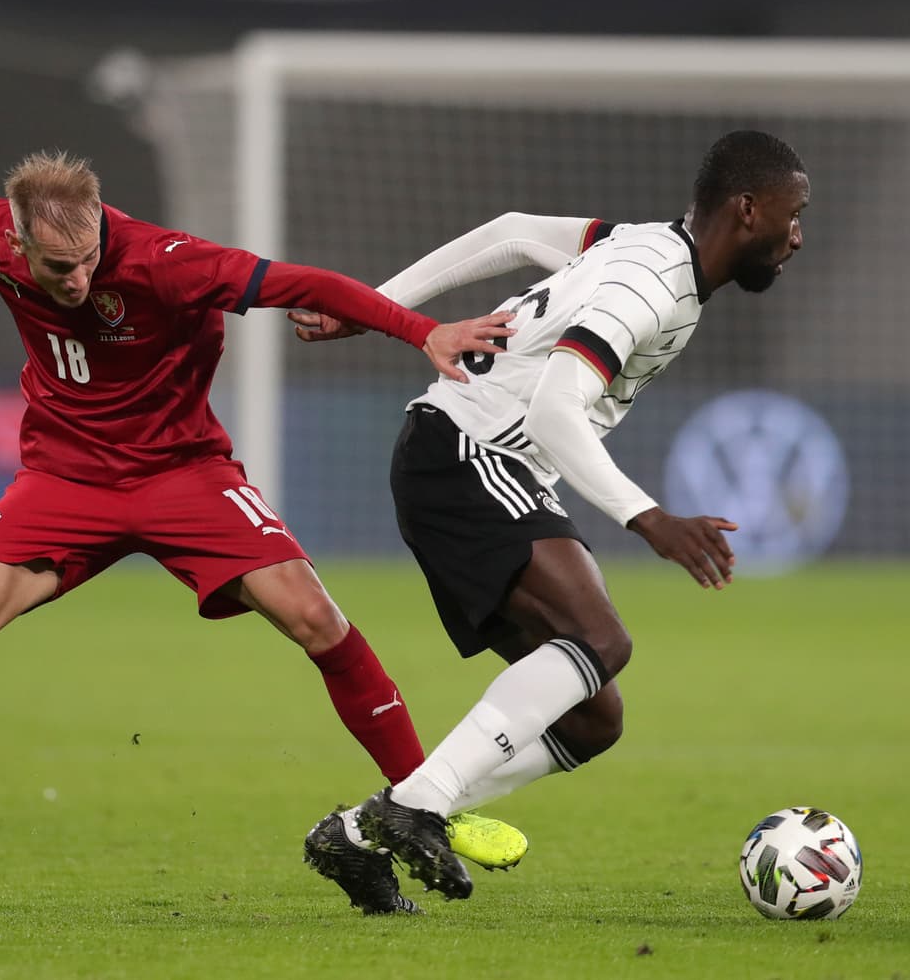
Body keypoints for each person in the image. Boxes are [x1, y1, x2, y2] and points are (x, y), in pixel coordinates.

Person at [0, 112, 526, 905]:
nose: (77, 280)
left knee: (317, 618)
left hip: (185, 473)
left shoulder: (165, 262)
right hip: (65, 478)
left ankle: (430, 808)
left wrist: (423, 330)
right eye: (58, 267)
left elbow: (304, 283)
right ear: (16, 240)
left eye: (86, 261)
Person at [294, 130, 809, 904]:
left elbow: (509, 231)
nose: (798, 234)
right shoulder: (652, 287)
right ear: (748, 209)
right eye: (792, 214)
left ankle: (362, 834)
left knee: (594, 718)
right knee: (601, 640)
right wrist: (651, 519)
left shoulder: (636, 243)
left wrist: (380, 307)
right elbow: (554, 409)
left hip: (470, 459)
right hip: (469, 452)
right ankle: (415, 807)